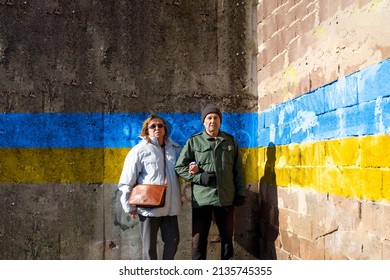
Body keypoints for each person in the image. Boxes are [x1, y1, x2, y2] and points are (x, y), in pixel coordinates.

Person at [175, 104, 245, 260]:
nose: (212, 120)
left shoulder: (230, 141)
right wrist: (199, 178)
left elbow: (238, 170)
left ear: (220, 121)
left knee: (227, 240)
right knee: (198, 241)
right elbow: (179, 167)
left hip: (226, 199)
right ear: (204, 122)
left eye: (216, 118)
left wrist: (240, 192)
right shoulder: (194, 142)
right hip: (202, 200)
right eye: (209, 118)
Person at [118, 114, 182, 260]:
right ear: (147, 130)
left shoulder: (174, 149)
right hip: (149, 207)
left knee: (173, 241)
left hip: (171, 206)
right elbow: (127, 179)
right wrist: (129, 205)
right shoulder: (140, 150)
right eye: (152, 126)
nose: (157, 128)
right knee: (149, 248)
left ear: (165, 129)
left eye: (160, 125)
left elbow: (185, 164)